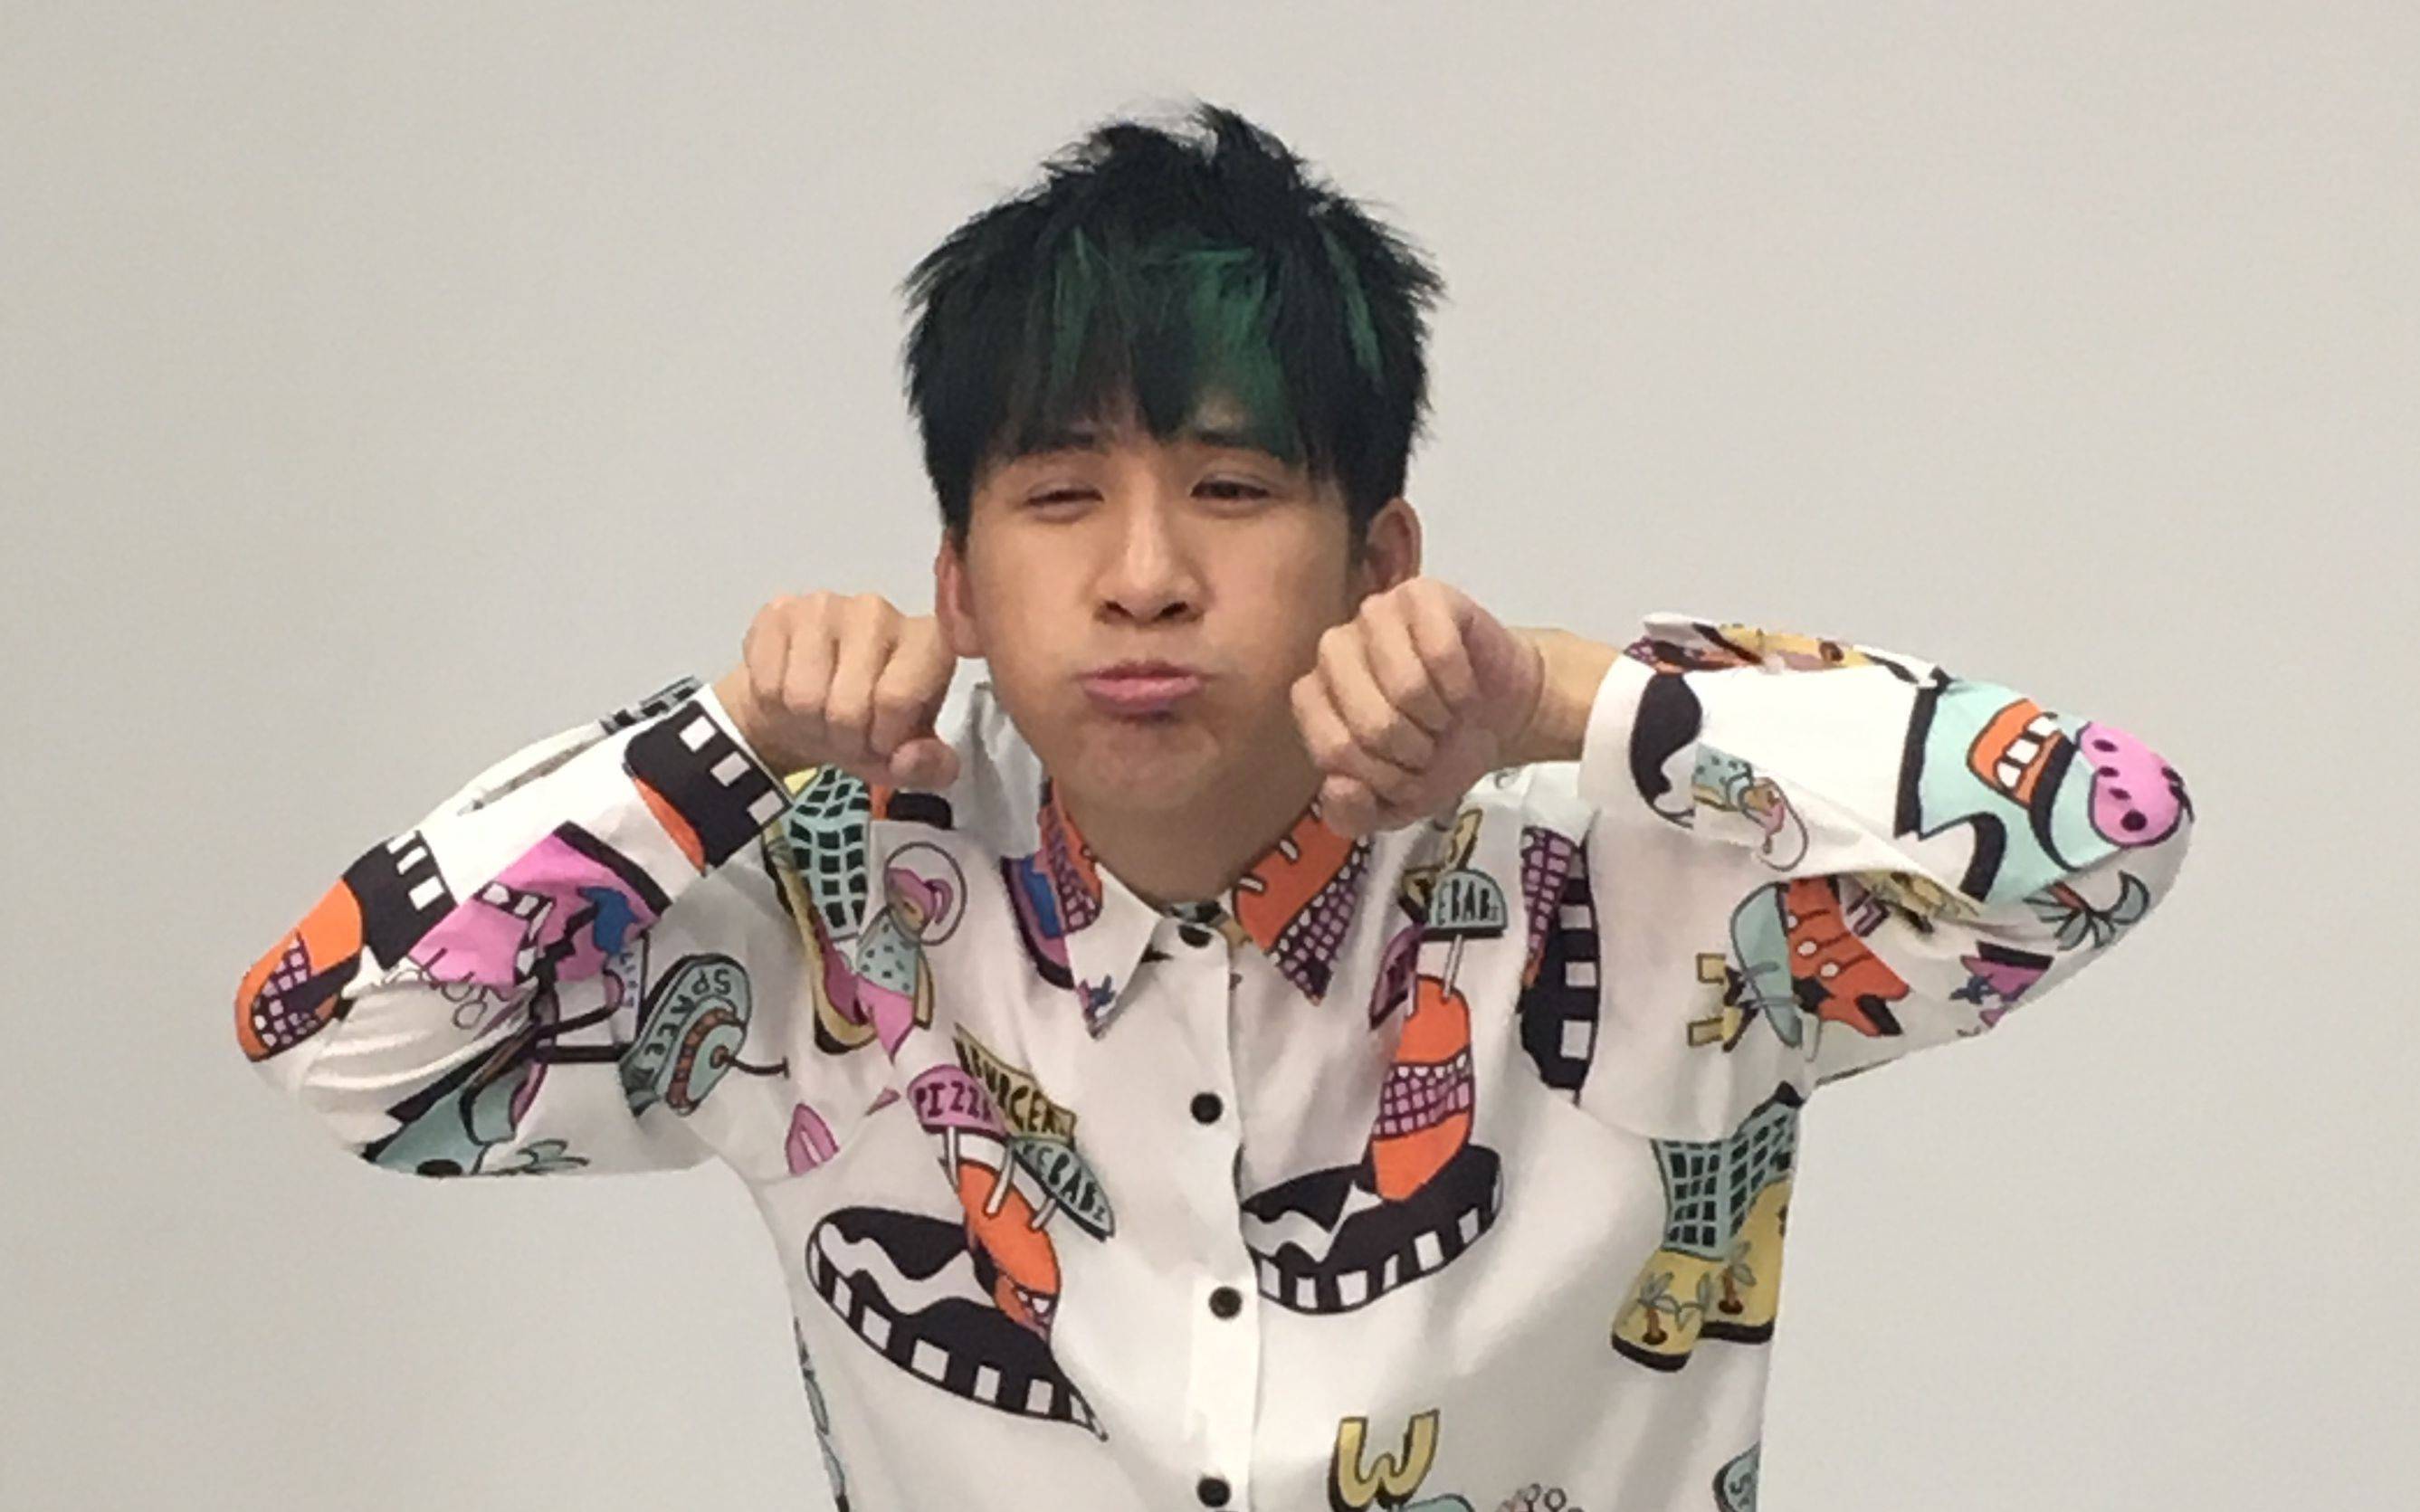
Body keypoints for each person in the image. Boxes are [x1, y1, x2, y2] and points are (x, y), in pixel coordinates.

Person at [235, 99, 2196, 1512]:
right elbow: (342, 1045)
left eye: (1234, 490)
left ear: (1378, 557)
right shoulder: (839, 910)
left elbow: (2105, 827)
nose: (1144, 577)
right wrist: (728, 735)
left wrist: (1564, 696)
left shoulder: (1640, 875)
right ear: (956, 582)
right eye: (1058, 497)